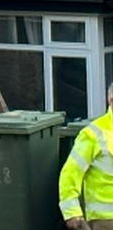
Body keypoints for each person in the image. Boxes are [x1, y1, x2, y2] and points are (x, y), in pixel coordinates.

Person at [60, 83, 113, 229]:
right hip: (105, 220)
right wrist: (72, 213)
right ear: (111, 100)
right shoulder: (93, 134)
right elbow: (70, 174)